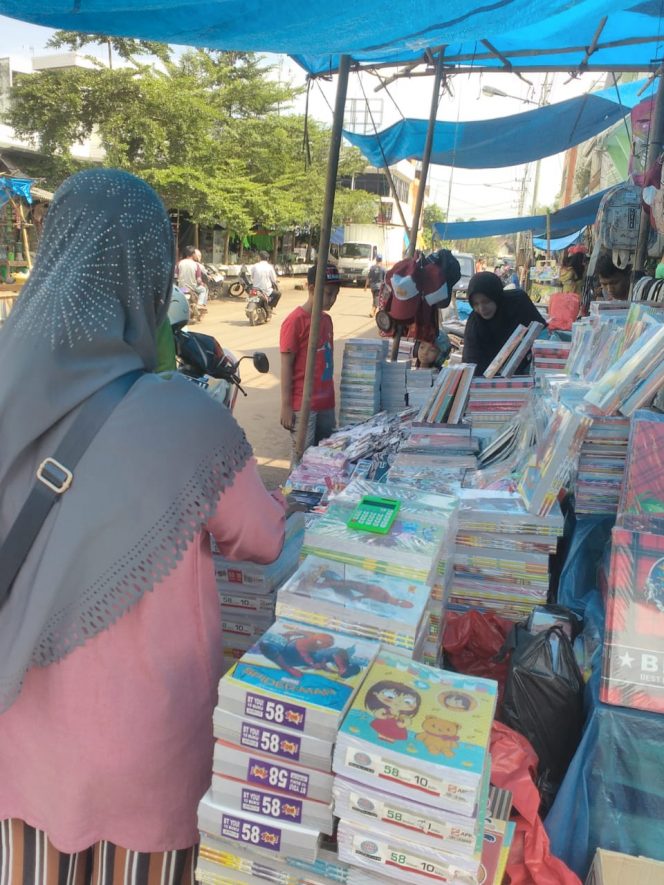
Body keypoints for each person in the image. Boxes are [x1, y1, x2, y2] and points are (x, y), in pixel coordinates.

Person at [0, 169, 286, 884]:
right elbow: (265, 537)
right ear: (153, 280)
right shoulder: (188, 420)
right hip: (145, 758)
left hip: (19, 737)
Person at [280, 262, 340, 463]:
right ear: (312, 289)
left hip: (326, 403)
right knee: (302, 458)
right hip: (303, 404)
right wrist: (287, 406)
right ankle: (294, 495)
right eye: (329, 293)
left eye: (336, 294)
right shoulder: (295, 321)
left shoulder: (327, 320)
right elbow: (286, 366)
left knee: (326, 457)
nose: (333, 299)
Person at [462, 271, 547, 376]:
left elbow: (542, 335)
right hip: (489, 380)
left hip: (527, 373)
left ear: (496, 296)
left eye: (486, 301)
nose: (481, 308)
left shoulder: (518, 303)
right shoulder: (475, 322)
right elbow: (470, 362)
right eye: (475, 304)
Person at [175, 244, 208, 316]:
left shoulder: (179, 263)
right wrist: (202, 283)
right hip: (193, 287)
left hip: (182, 288)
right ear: (193, 254)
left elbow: (175, 276)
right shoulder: (196, 265)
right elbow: (198, 280)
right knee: (203, 290)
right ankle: (200, 304)